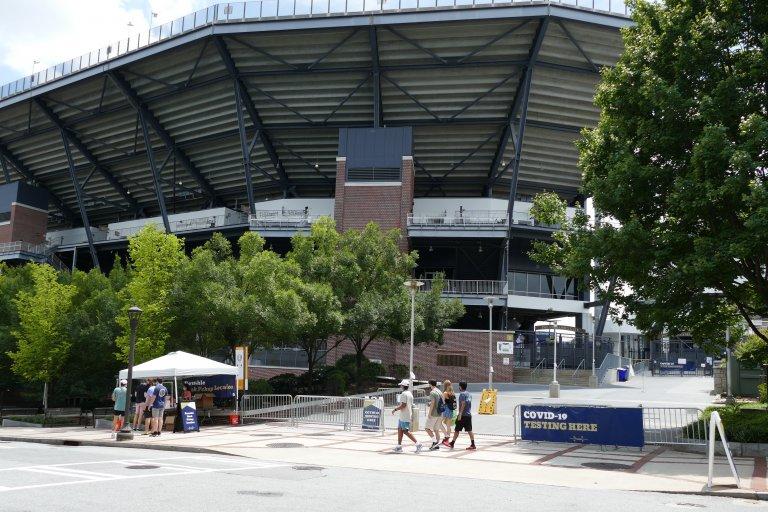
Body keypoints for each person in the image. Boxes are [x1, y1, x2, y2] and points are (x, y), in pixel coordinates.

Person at [391, 379, 422, 453]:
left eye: (401, 385)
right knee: (400, 429)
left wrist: (395, 409)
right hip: (405, 415)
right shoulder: (409, 393)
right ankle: (399, 446)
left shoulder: (404, 394)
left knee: (405, 431)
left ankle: (418, 444)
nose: (400, 386)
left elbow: (403, 405)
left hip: (404, 415)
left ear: (402, 386)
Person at [449, 381, 476, 450]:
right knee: (469, 430)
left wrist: (460, 414)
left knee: (457, 429)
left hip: (463, 415)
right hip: (468, 415)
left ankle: (452, 443)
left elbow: (463, 403)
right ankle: (473, 444)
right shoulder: (469, 394)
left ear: (460, 387)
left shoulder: (462, 394)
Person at [425, 379, 446, 451]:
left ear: (430, 384)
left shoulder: (432, 392)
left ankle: (434, 442)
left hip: (434, 413)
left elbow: (433, 403)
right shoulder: (439, 391)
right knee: (436, 430)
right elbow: (442, 402)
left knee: (427, 428)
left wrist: (429, 413)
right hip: (440, 413)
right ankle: (436, 444)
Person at [440, 380, 456, 447]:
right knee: (448, 426)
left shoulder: (445, 393)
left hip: (446, 410)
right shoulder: (452, 392)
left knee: (439, 423)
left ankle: (446, 436)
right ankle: (447, 439)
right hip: (451, 410)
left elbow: (443, 402)